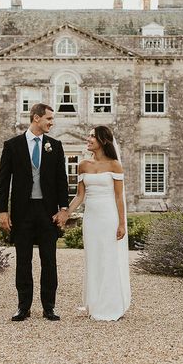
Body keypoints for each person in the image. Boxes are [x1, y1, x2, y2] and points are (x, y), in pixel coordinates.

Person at [0, 103, 69, 322]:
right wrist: (2, 211)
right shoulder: (13, 145)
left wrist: (63, 209)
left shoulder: (54, 146)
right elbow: (3, 181)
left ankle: (49, 307)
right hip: (22, 212)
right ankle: (23, 307)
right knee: (23, 261)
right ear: (36, 118)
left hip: (48, 213)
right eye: (48, 119)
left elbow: (61, 181)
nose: (51, 123)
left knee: (49, 261)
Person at [66, 126, 131, 321]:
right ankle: (94, 303)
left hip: (109, 217)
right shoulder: (83, 165)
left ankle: (110, 304)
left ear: (103, 140)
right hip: (91, 218)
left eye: (92, 136)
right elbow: (79, 196)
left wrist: (122, 224)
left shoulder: (114, 166)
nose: (88, 139)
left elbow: (119, 197)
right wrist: (65, 213)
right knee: (93, 258)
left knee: (109, 257)